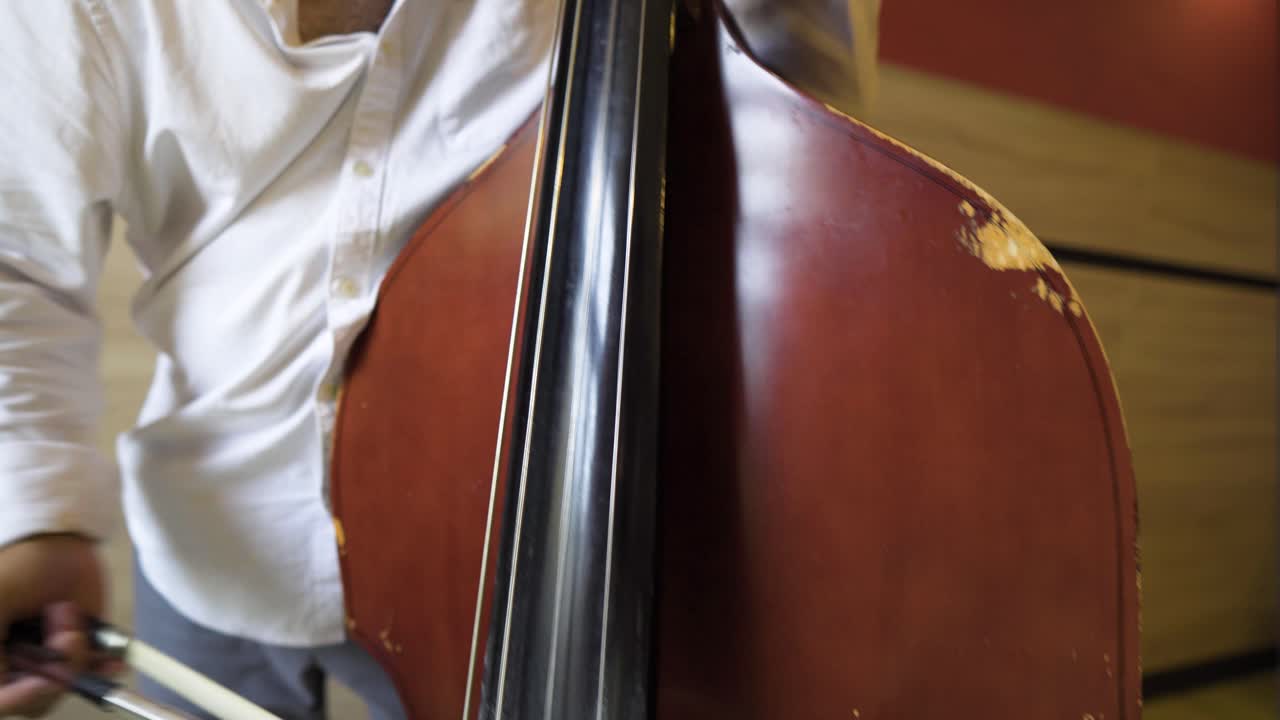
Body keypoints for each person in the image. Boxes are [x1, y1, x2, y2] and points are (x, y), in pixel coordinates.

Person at [0, 1, 879, 717]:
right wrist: (37, 513)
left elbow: (795, 160)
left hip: (507, 551)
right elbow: (21, 259)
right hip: (210, 514)